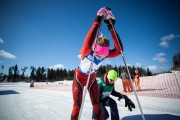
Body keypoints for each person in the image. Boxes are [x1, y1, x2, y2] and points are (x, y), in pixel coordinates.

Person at [71, 7, 124, 120]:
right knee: (77, 107)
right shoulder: (88, 51)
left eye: (103, 56)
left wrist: (111, 28)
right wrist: (97, 21)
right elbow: (86, 45)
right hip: (79, 78)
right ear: (94, 48)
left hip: (91, 79)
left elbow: (119, 51)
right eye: (98, 54)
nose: (100, 57)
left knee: (96, 105)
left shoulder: (104, 54)